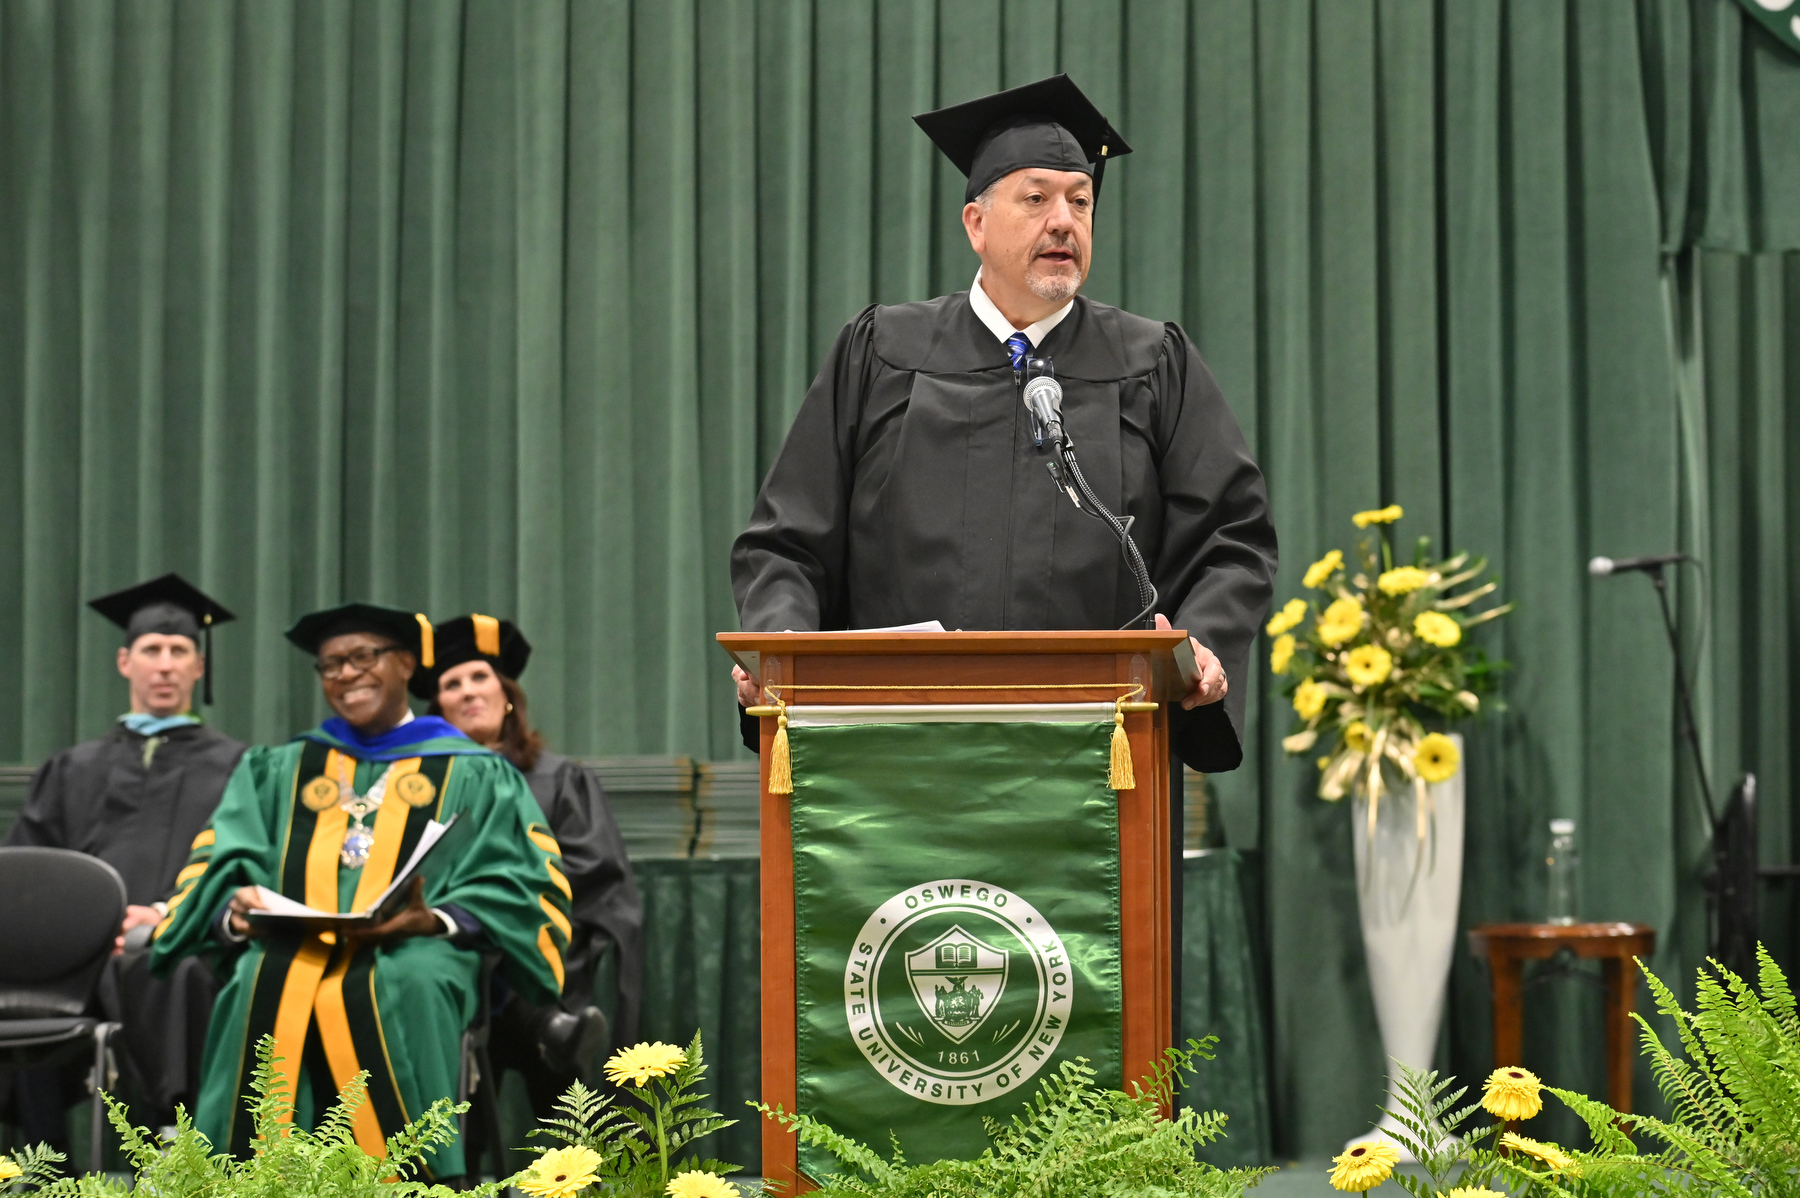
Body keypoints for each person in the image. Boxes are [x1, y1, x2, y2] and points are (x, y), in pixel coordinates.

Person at [730, 75, 1277, 772]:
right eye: (1037, 198)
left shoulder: (1150, 363)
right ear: (976, 224)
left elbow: (1233, 542)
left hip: (1099, 757)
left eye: (1080, 202)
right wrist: (784, 653)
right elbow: (786, 544)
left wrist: (1203, 646)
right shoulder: (883, 353)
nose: (1064, 221)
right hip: (895, 754)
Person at [148, 603, 572, 1182]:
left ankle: (417, 1183)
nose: (346, 674)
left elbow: (526, 877)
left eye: (363, 658)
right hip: (294, 944)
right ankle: (257, 1184)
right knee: (256, 976)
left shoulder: (475, 771)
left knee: (410, 979)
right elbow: (222, 858)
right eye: (330, 665)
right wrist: (235, 914)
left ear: (404, 665)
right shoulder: (282, 766)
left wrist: (439, 921)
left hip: (415, 945)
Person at [2, 574, 244, 1148]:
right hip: (75, 958)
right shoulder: (72, 767)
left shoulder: (239, 767)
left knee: (175, 976)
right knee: (26, 982)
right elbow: (27, 872)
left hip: (178, 946)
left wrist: (165, 915)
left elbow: (240, 866)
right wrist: (79, 931)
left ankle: (177, 1158)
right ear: (123, 661)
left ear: (198, 668)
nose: (164, 665)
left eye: (179, 651)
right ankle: (44, 1170)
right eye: (151, 650)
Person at [415, 615, 642, 1125]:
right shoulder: (421, 786)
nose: (469, 692)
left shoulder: (560, 780)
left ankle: (537, 1012)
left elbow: (591, 870)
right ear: (439, 708)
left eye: (480, 678)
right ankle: (542, 1024)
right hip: (449, 956)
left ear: (507, 694)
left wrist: (510, 908)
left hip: (548, 949)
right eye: (452, 684)